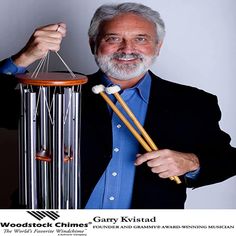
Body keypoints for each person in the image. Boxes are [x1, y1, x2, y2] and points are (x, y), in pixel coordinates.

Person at [0, 2, 236, 209]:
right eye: (113, 38)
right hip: (55, 226)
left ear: (158, 46)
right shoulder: (56, 90)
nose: (127, 49)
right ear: (93, 44)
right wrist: (25, 57)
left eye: (140, 39)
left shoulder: (193, 103)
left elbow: (227, 160)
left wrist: (192, 162)